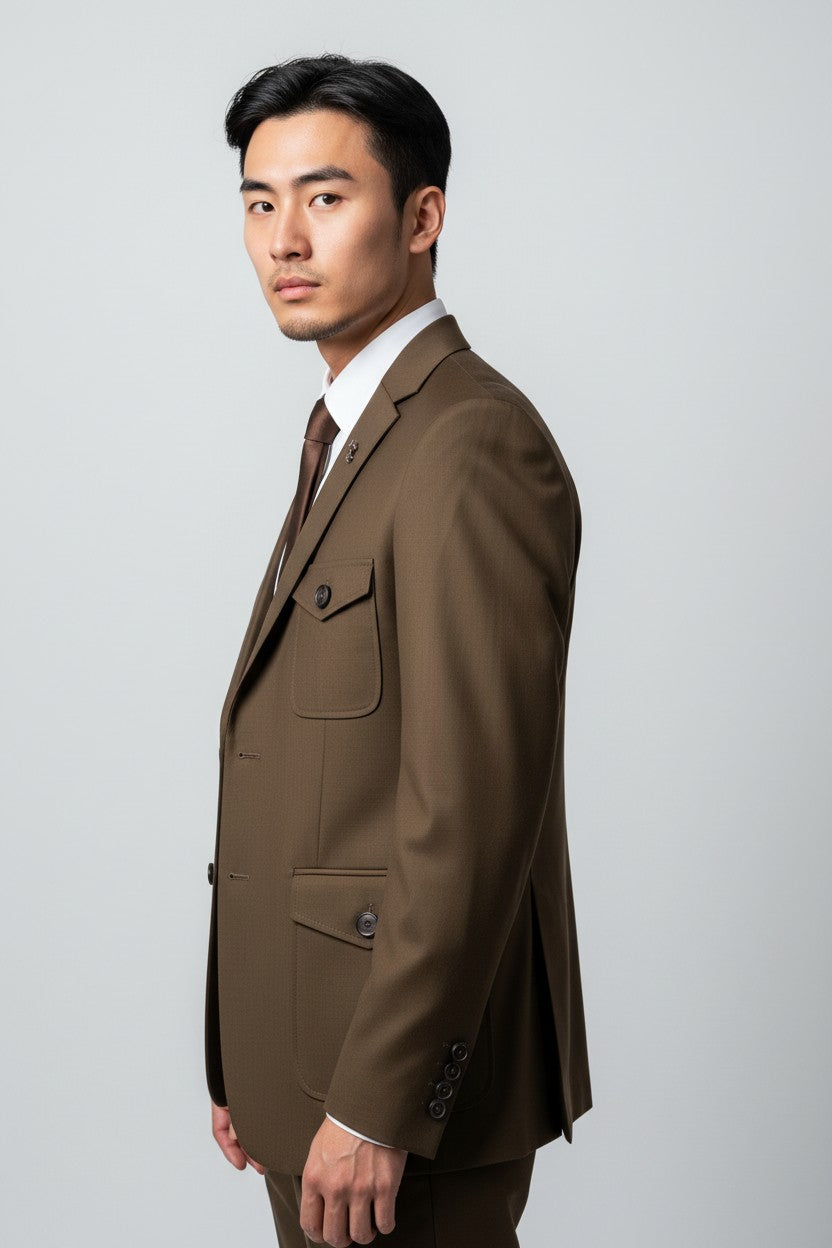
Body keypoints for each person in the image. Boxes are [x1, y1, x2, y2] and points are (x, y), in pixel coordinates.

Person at [204, 53, 592, 1248]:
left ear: (422, 219)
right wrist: (245, 1046)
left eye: (325, 198)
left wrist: (379, 1101)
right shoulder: (352, 429)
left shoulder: (468, 443)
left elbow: (471, 809)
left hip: (392, 1104)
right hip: (304, 1064)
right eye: (260, 204)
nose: (285, 240)